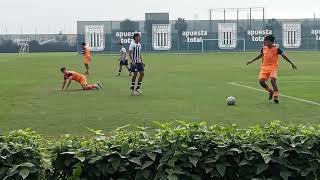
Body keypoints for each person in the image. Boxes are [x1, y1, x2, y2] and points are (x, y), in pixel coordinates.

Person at [246, 35, 297, 104]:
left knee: (273, 80)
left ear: (271, 42)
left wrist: (291, 63)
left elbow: (284, 56)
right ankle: (270, 91)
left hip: (273, 67)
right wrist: (252, 61)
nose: (265, 42)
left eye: (267, 41)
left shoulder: (276, 49)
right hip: (264, 67)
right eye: (265, 41)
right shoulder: (264, 48)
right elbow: (261, 55)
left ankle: (276, 96)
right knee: (261, 81)